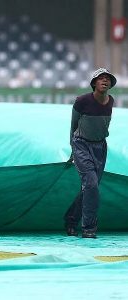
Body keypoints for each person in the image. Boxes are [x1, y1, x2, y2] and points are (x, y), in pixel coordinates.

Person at [64, 68, 117, 239]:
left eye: (107, 79)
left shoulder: (111, 101)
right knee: (91, 185)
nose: (104, 81)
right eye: (101, 78)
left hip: (100, 147)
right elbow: (74, 125)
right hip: (81, 145)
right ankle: (89, 229)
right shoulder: (82, 101)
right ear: (94, 83)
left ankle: (71, 220)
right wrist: (73, 147)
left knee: (90, 188)